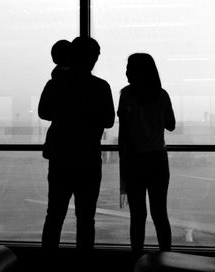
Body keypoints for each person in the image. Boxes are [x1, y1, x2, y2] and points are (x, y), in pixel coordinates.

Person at [38, 36, 115, 262]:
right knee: (86, 218)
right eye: (95, 55)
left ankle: (47, 261)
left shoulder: (57, 83)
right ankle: (84, 263)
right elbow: (109, 120)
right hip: (88, 157)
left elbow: (44, 112)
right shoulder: (101, 86)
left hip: (61, 156)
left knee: (54, 215)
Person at [117, 53, 176, 261]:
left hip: (134, 160)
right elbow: (171, 124)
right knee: (160, 213)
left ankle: (136, 258)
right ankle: (167, 258)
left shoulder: (126, 95)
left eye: (129, 68)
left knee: (138, 216)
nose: (126, 72)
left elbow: (123, 132)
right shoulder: (161, 95)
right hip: (158, 159)